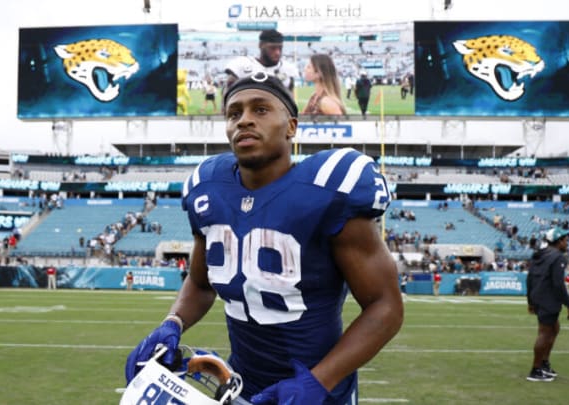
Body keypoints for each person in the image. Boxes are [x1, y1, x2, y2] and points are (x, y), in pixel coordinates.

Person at [125, 73, 404, 404]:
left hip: (318, 393)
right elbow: (201, 284)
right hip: (240, 386)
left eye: (260, 110)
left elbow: (385, 306)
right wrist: (172, 324)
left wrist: (317, 382)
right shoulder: (209, 189)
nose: (244, 120)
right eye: (234, 113)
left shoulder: (327, 189)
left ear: (291, 126)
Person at [526, 227, 569, 382]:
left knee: (554, 328)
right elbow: (557, 284)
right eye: (565, 240)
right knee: (545, 333)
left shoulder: (539, 254)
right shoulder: (558, 257)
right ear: (559, 241)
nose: (567, 243)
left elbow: (529, 279)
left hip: (538, 297)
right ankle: (535, 369)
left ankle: (544, 363)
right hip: (548, 298)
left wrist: (530, 301)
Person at [224, 29, 299, 94]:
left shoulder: (287, 69)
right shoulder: (242, 65)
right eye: (272, 48)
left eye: (280, 48)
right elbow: (227, 96)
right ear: (260, 45)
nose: (277, 52)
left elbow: (290, 100)